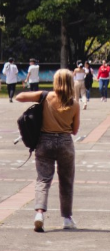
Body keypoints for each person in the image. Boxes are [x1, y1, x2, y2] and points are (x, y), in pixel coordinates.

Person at [16, 69, 80, 232]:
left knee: (43, 179)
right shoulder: (74, 103)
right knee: (66, 181)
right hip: (65, 143)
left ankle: (39, 214)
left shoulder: (46, 96)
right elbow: (75, 130)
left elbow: (19, 97)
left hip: (45, 141)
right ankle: (66, 218)